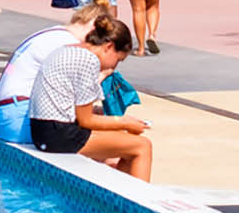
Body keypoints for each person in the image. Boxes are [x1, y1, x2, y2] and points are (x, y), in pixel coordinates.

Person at [27, 16, 153, 180]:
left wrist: (111, 120)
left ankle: (121, 194)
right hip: (59, 136)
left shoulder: (68, 49)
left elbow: (70, 106)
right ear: (108, 47)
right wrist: (124, 121)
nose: (113, 67)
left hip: (43, 131)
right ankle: (139, 203)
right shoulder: (88, 60)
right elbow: (86, 121)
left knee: (125, 142)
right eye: (118, 60)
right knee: (142, 146)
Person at [0, 0, 114, 143]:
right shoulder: (69, 45)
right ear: (93, 27)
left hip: (4, 114)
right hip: (18, 119)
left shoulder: (53, 33)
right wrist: (103, 75)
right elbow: (79, 95)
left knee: (102, 138)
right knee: (112, 140)